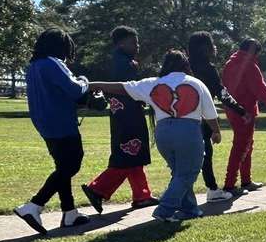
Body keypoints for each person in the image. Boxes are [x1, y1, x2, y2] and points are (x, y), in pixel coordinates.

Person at [90, 51, 221, 222]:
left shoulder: (153, 83)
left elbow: (121, 86)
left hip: (163, 132)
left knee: (179, 173)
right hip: (188, 131)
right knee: (188, 172)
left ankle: (189, 209)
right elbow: (210, 114)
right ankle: (164, 210)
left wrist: (90, 84)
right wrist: (216, 131)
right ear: (185, 64)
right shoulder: (196, 83)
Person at [14, 28, 93, 234]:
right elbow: (75, 89)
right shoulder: (53, 63)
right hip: (61, 122)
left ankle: (69, 212)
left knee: (62, 166)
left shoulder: (33, 66)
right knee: (72, 164)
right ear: (62, 46)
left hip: (44, 122)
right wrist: (84, 79)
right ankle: (34, 205)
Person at [80, 26, 156, 214]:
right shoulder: (126, 64)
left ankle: (142, 195)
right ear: (121, 43)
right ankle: (97, 188)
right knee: (127, 156)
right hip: (128, 114)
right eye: (133, 42)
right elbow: (131, 89)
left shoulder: (116, 61)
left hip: (120, 113)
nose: (137, 46)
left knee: (133, 153)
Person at [221, 38, 266, 194]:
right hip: (245, 112)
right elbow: (260, 88)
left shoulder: (229, 64)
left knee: (246, 145)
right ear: (254, 51)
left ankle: (246, 180)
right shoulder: (249, 66)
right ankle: (230, 184)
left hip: (231, 110)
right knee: (241, 147)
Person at [188, 31, 245, 202]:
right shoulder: (208, 69)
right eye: (212, 43)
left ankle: (192, 190)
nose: (215, 47)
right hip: (201, 118)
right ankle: (212, 190)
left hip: (180, 119)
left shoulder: (184, 67)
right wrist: (240, 109)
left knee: (187, 157)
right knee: (205, 154)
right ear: (205, 48)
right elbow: (222, 93)